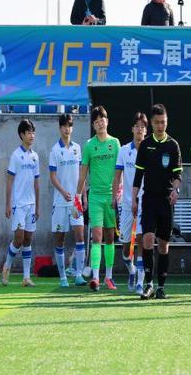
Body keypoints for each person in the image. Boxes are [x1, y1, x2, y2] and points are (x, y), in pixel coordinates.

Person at [133, 104, 182, 300]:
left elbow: (178, 175)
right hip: (149, 199)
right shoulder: (145, 145)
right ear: (151, 124)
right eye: (157, 122)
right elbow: (138, 175)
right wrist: (134, 199)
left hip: (166, 201)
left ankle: (161, 286)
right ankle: (149, 284)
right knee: (147, 239)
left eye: (164, 122)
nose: (161, 125)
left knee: (163, 244)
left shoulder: (173, 145)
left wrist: (176, 190)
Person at [74, 106, 120, 292]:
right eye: (97, 121)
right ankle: (95, 278)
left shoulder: (115, 143)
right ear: (93, 125)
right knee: (97, 237)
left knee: (110, 238)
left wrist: (118, 192)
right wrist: (77, 197)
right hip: (95, 198)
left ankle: (108, 277)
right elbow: (82, 174)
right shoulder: (89, 146)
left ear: (107, 121)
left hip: (111, 198)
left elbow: (120, 171)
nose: (100, 123)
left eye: (103, 120)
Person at [49, 114, 87, 288]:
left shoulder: (77, 148)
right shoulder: (55, 150)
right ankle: (63, 277)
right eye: (64, 126)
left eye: (69, 126)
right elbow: (52, 176)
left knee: (80, 236)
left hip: (75, 202)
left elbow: (81, 175)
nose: (67, 129)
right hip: (60, 201)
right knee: (60, 239)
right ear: (60, 128)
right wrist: (63, 192)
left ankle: (78, 274)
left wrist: (83, 196)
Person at [112, 112, 148, 295]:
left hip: (145, 202)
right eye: (137, 126)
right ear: (132, 129)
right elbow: (117, 175)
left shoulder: (150, 149)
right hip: (126, 204)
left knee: (141, 239)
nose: (140, 129)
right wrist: (114, 196)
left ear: (146, 130)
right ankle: (132, 269)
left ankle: (140, 282)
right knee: (126, 249)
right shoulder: (124, 150)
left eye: (143, 126)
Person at [1, 120, 40, 287]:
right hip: (18, 204)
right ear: (22, 135)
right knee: (19, 238)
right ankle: (7, 266)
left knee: (28, 239)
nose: (32, 135)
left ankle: (26, 277)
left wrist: (37, 205)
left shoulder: (35, 156)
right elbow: (9, 181)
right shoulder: (16, 156)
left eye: (33, 132)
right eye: (29, 132)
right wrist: (8, 204)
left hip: (31, 204)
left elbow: (36, 182)